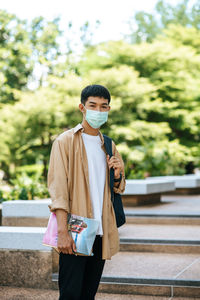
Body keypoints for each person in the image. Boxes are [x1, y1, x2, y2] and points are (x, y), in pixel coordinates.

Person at [47, 84, 126, 300]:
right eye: (93, 105)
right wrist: (62, 232)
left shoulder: (109, 145)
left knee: (88, 294)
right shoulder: (65, 142)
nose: (98, 111)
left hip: (102, 228)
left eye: (104, 107)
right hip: (77, 227)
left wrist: (117, 174)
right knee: (71, 293)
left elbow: (117, 188)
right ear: (82, 107)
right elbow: (59, 191)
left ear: (108, 110)